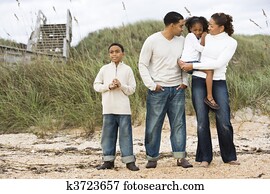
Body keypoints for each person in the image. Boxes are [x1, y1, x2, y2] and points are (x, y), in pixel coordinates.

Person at [179, 13, 240, 167]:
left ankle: (229, 156)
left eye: (212, 25)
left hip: (218, 81)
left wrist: (192, 66)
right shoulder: (207, 36)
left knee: (224, 121)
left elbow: (218, 63)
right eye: (209, 24)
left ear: (221, 28)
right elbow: (192, 47)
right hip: (199, 79)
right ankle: (204, 157)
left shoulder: (231, 42)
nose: (209, 27)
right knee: (202, 122)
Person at [138, 11, 193, 169]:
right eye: (181, 25)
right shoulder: (152, 40)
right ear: (172, 25)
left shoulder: (181, 41)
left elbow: (185, 62)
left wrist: (184, 81)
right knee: (154, 124)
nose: (182, 29)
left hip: (177, 89)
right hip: (158, 90)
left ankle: (180, 157)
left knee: (179, 124)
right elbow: (142, 64)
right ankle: (152, 158)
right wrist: (151, 85)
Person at [93, 43, 139, 171]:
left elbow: (132, 89)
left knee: (125, 135)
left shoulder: (128, 69)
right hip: (108, 108)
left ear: (123, 53)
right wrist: (108, 86)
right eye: (111, 52)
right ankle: (108, 160)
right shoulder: (104, 69)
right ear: (109, 54)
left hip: (123, 109)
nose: (114, 54)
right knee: (108, 135)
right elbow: (96, 85)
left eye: (117, 51)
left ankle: (129, 161)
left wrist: (121, 85)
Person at [179, 16, 219, 110]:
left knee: (207, 72)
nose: (197, 32)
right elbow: (201, 49)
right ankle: (209, 97)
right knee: (209, 71)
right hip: (189, 62)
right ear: (190, 29)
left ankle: (208, 95)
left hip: (192, 62)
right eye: (195, 30)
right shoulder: (190, 36)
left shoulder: (196, 38)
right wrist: (204, 36)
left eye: (200, 30)